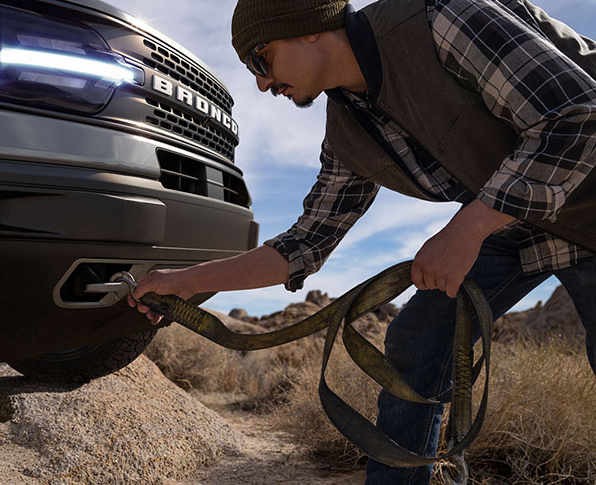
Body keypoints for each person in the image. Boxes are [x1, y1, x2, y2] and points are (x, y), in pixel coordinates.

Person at [128, 0, 596, 482]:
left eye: (260, 60)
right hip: (520, 224)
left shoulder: (439, 18)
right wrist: (186, 282)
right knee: (417, 340)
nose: (262, 84)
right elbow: (304, 244)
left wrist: (469, 228)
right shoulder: (347, 135)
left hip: (586, 195)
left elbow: (577, 114)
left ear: (306, 28)